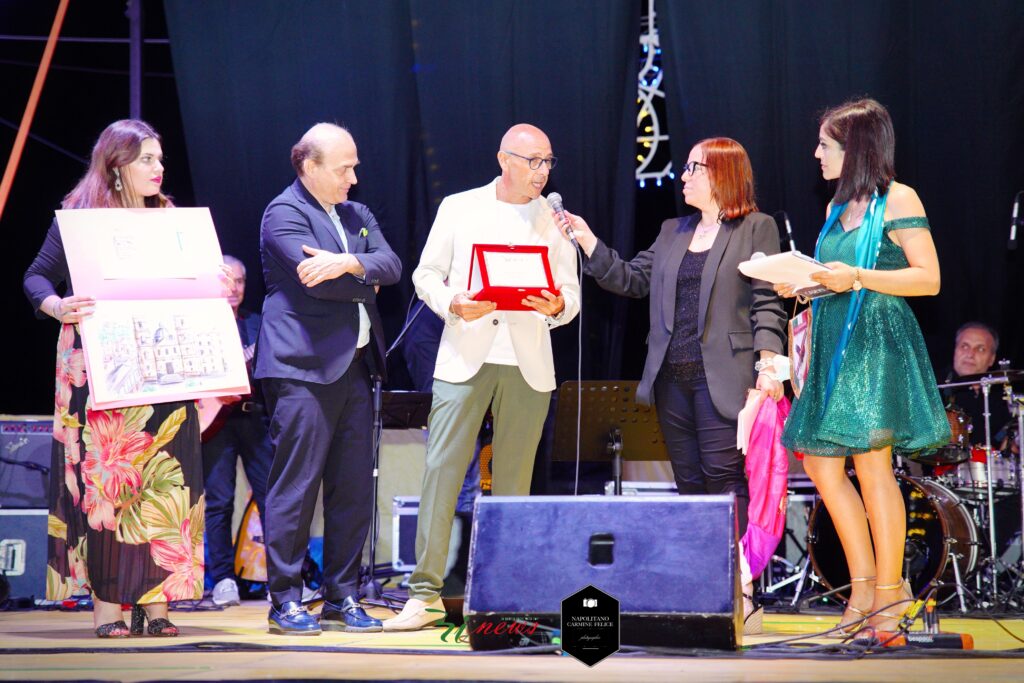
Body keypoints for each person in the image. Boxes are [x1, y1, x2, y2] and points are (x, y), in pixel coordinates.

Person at [555, 137, 787, 633]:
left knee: (725, 482)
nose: (682, 176)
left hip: (725, 375)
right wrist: (589, 241)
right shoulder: (672, 231)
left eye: (692, 168)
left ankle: (741, 592)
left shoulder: (756, 228)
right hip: (672, 379)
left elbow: (769, 301)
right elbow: (630, 279)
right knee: (691, 488)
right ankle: (705, 588)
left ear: (722, 172)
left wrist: (770, 364)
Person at [384, 124, 580, 631]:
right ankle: (423, 594)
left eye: (547, 162)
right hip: (465, 353)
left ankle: (506, 593)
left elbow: (570, 293)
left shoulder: (555, 219)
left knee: (514, 483)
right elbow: (425, 273)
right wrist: (454, 303)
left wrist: (558, 307)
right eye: (532, 161)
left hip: (528, 361)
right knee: (442, 472)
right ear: (504, 159)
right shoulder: (459, 206)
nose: (541, 172)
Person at [23, 119, 205, 637]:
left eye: (160, 158)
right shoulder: (81, 219)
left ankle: (159, 605)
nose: (159, 168)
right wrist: (57, 304)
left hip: (164, 367)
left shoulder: (168, 218)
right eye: (148, 158)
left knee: (167, 479)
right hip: (104, 369)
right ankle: (110, 607)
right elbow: (35, 276)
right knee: (110, 487)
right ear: (117, 164)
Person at [777, 98, 949, 634]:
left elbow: (928, 278)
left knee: (874, 467)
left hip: (875, 341)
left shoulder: (899, 199)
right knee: (822, 466)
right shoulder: (837, 206)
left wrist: (855, 277)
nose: (816, 153)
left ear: (854, 149)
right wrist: (804, 283)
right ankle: (863, 589)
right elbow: (836, 275)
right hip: (834, 339)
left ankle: (888, 599)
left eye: (825, 145)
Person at [255, 123, 401, 635]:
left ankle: (342, 596)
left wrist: (348, 263)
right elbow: (318, 287)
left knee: (353, 489)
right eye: (344, 169)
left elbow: (393, 265)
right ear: (309, 167)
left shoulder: (356, 215)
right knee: (296, 488)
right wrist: (363, 277)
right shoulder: (284, 212)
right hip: (302, 369)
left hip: (355, 368)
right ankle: (285, 600)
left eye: (355, 167)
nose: (353, 178)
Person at [198, 254, 273, 607]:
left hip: (254, 419)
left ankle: (282, 578)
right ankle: (224, 579)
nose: (235, 288)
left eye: (241, 281)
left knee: (273, 499)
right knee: (219, 502)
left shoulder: (259, 325)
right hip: (216, 423)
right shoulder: (198, 327)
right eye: (229, 280)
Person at [941, 322, 1012, 449]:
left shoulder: (1002, 395)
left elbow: (1007, 436)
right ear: (955, 350)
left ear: (992, 359)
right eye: (964, 346)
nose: (970, 354)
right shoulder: (935, 390)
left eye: (980, 349)